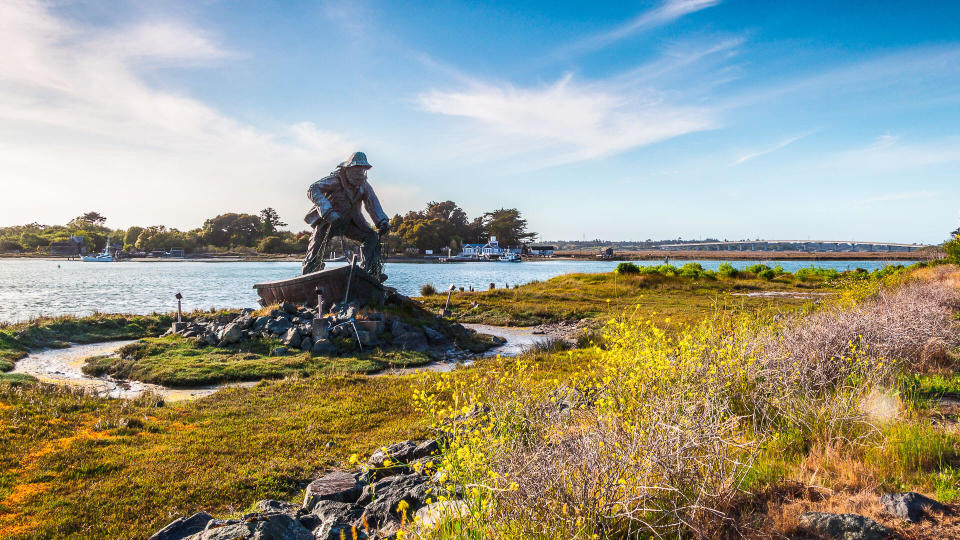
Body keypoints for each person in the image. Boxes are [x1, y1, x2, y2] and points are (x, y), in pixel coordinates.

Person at [302, 151, 390, 279]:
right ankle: (308, 276)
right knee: (316, 249)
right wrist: (327, 211)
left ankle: (369, 274)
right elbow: (313, 189)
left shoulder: (364, 185)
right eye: (356, 169)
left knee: (371, 237)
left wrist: (382, 221)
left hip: (351, 222)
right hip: (327, 221)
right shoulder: (335, 180)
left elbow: (373, 204)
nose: (359, 173)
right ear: (348, 169)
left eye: (362, 170)